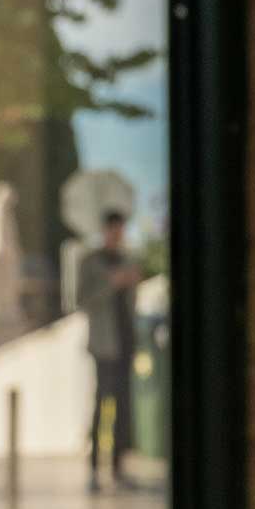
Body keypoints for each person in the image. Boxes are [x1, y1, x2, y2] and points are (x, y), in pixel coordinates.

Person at [74, 209, 143, 492]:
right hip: (103, 345)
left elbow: (131, 304)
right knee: (102, 404)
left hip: (126, 341)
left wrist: (131, 284)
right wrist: (110, 284)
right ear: (105, 230)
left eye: (121, 229)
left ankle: (118, 469)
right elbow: (81, 299)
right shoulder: (90, 261)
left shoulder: (128, 259)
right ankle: (93, 470)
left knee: (124, 407)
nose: (117, 234)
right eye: (113, 228)